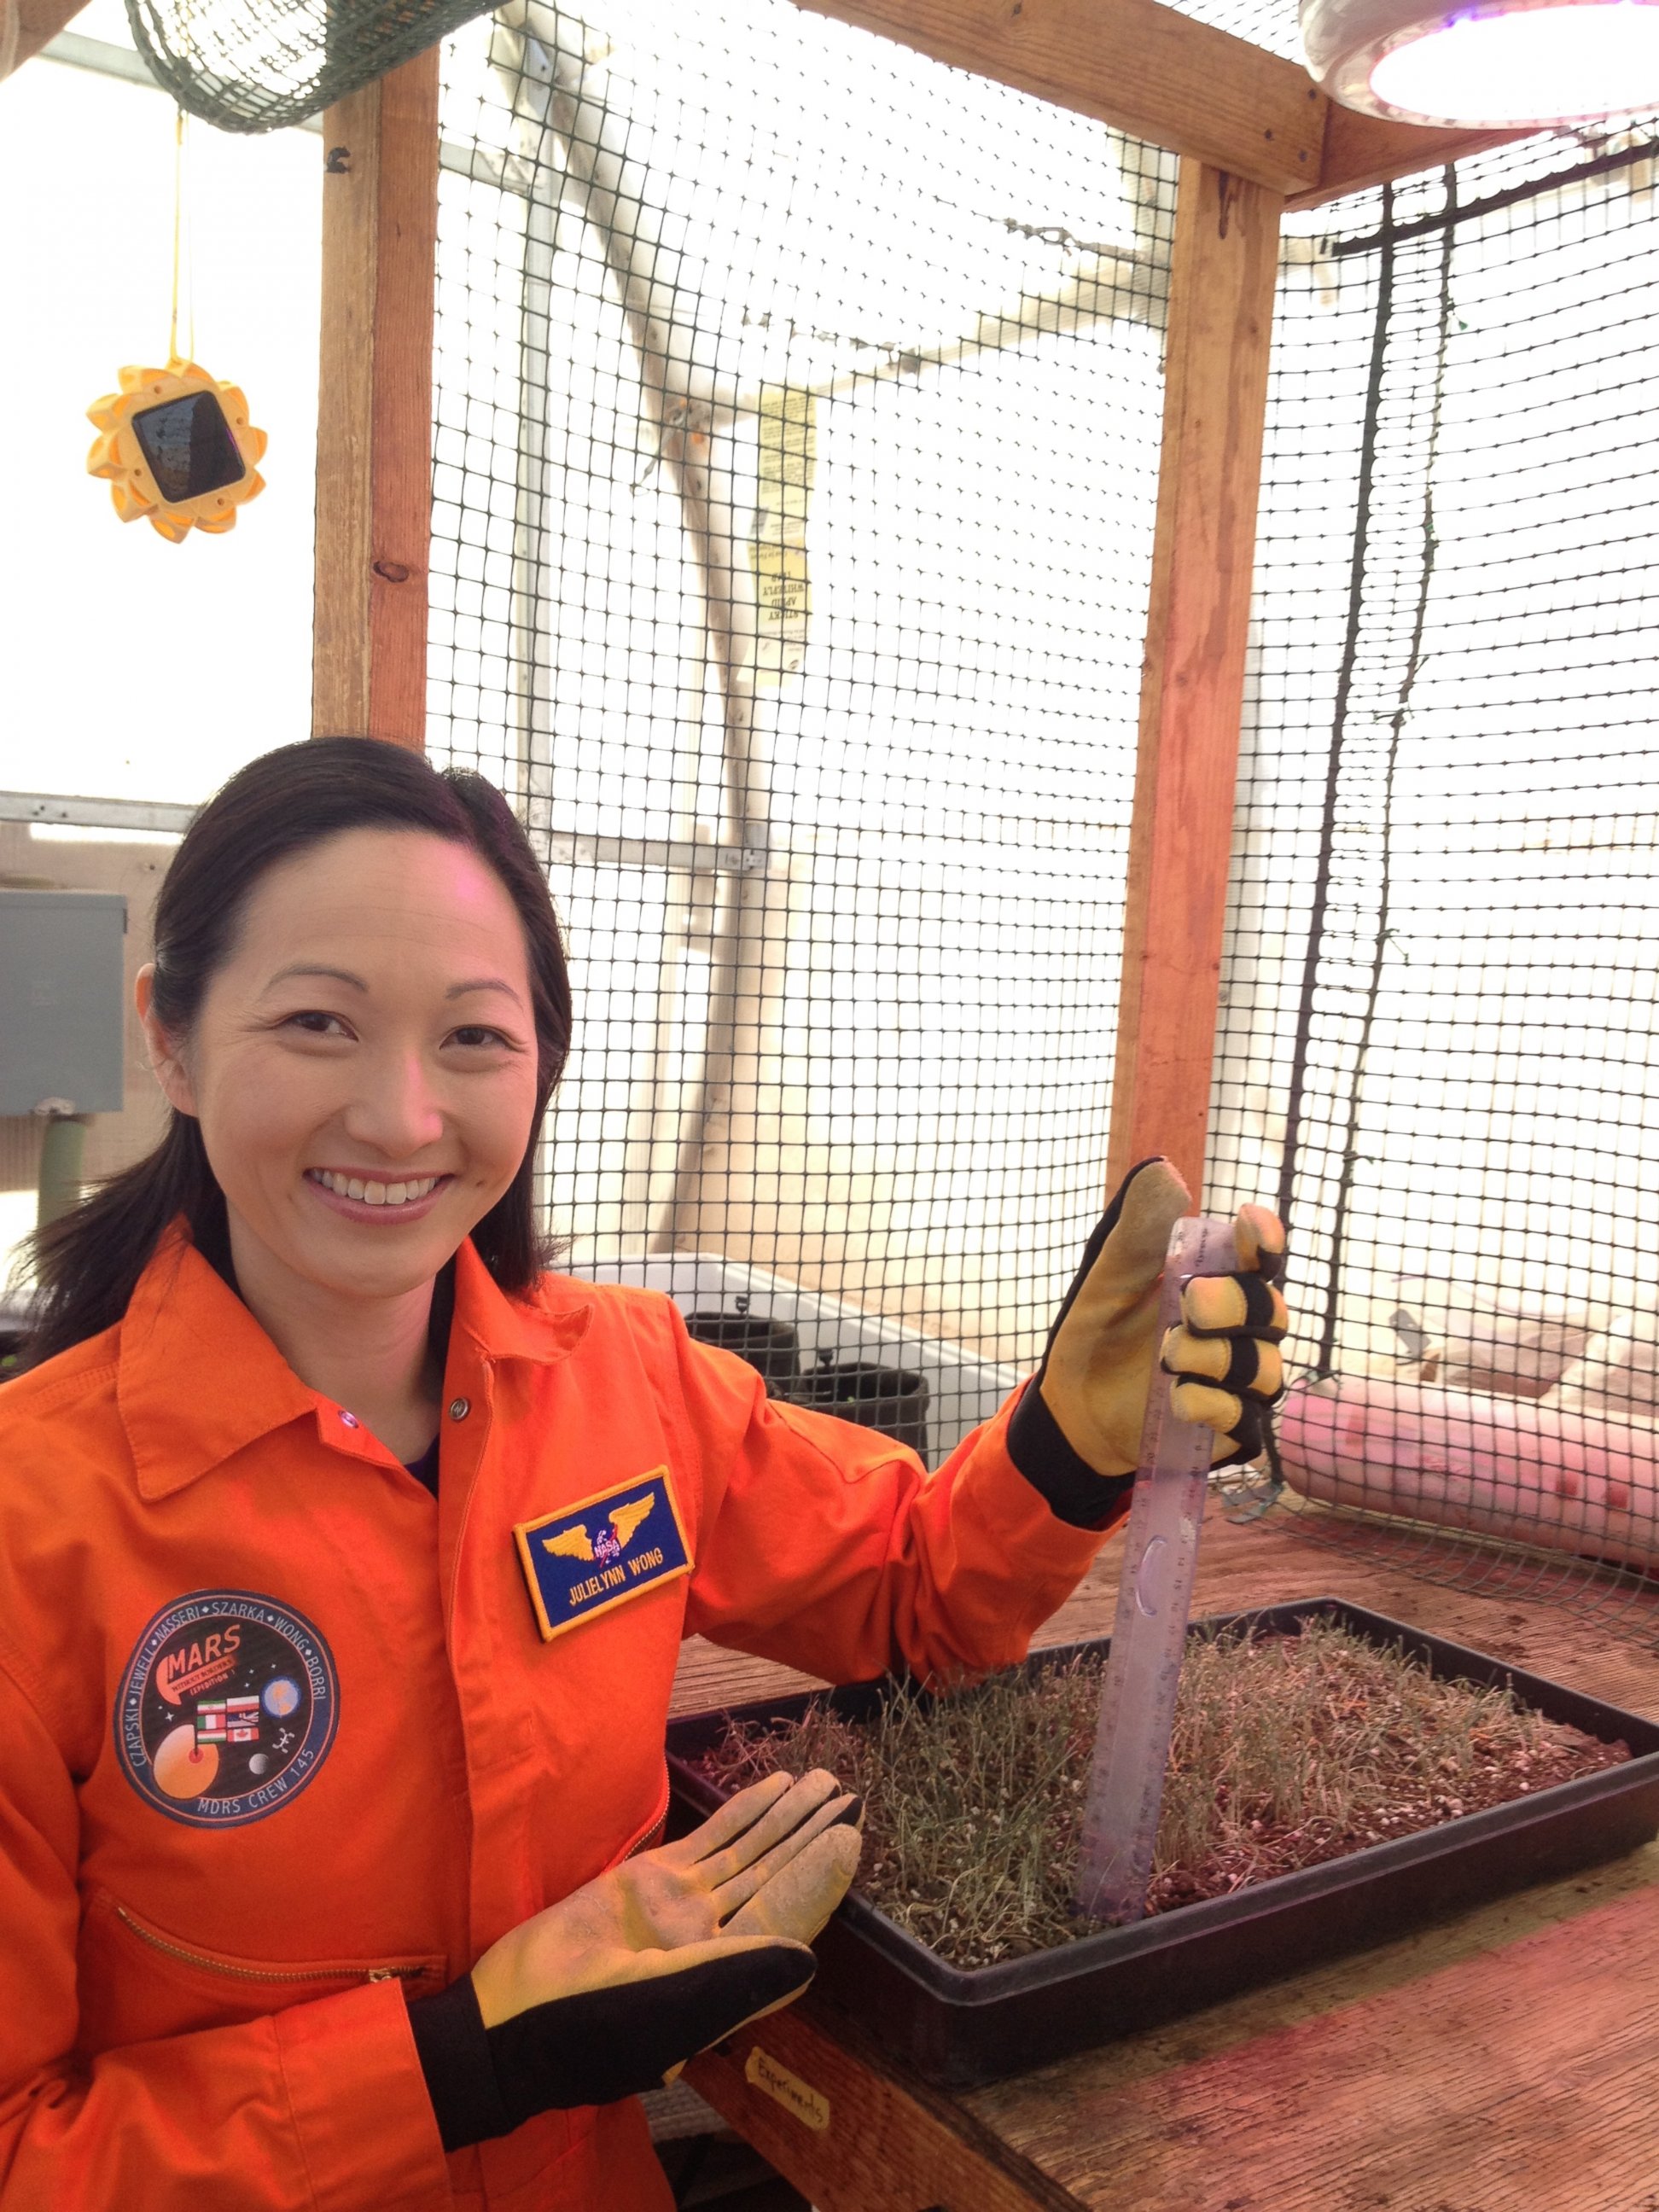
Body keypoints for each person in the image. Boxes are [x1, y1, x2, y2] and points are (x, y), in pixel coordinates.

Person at [0, 738, 1287, 2211]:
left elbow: (916, 1596)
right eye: (317, 1022)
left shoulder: (624, 1383)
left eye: (476, 1039)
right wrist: (458, 2061)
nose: (403, 1117)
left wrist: (1070, 1440)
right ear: (169, 1034)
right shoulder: (34, 1526)